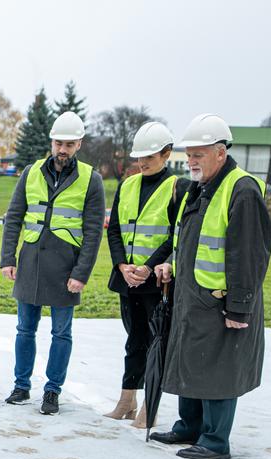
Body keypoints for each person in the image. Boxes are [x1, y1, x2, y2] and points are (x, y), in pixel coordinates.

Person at [149, 114, 271, 459]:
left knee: (218, 367)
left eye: (198, 155)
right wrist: (171, 264)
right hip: (192, 297)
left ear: (220, 152)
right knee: (190, 359)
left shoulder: (242, 190)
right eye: (189, 155)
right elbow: (189, 240)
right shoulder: (199, 188)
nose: (191, 162)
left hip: (220, 303)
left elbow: (249, 255)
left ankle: (216, 440)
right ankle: (189, 426)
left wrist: (239, 307)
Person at [0, 111, 105, 415]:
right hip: (31, 263)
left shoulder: (91, 179)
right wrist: (8, 258)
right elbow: (14, 217)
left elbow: (93, 231)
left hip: (65, 268)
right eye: (59, 143)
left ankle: (52, 391)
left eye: (69, 144)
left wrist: (81, 274)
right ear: (51, 142)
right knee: (24, 329)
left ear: (79, 145)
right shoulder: (30, 173)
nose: (63, 149)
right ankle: (21, 386)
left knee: (61, 333)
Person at [103, 121, 187, 428]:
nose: (142, 162)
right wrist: (122, 265)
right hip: (129, 280)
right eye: (139, 157)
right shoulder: (127, 185)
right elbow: (114, 230)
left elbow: (175, 236)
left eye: (149, 157)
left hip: (156, 282)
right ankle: (127, 400)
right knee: (133, 340)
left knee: (157, 343)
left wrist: (148, 267)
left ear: (166, 154)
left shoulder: (179, 187)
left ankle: (149, 406)